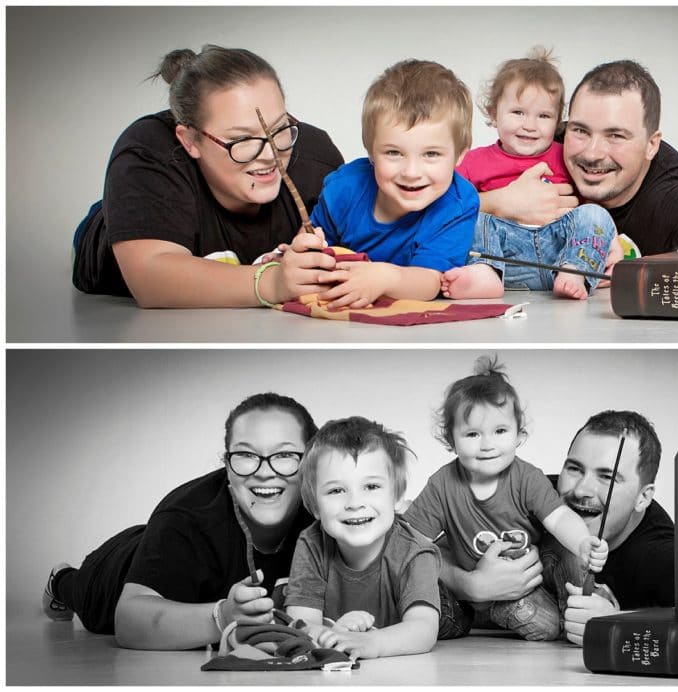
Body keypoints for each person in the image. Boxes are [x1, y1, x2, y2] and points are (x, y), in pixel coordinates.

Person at [72, 45, 346, 308]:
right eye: (241, 138)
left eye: (278, 129)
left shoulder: (316, 159)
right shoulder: (148, 155)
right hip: (129, 225)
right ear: (189, 140)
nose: (269, 154)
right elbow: (150, 279)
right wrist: (274, 282)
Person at [41, 393, 318, 650]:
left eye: (284, 455)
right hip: (118, 569)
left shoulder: (325, 511)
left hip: (164, 541)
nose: (265, 472)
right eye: (246, 455)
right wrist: (222, 617)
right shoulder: (187, 516)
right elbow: (128, 622)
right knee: (85, 594)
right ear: (226, 464)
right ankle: (61, 580)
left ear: (310, 463)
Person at [402, 356, 608, 641]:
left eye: (500, 431)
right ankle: (502, 612)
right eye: (472, 434)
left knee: (570, 558)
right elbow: (413, 543)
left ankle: (575, 610)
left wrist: (584, 543)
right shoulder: (443, 484)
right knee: (545, 628)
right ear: (451, 440)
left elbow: (559, 518)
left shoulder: (526, 477)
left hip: (528, 578)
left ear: (518, 435)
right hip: (480, 590)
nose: (487, 445)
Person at [440, 409, 673, 646]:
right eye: (574, 469)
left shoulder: (660, 556)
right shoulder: (531, 495)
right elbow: (420, 548)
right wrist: (469, 585)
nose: (581, 489)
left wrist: (617, 622)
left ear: (643, 497)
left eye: (607, 477)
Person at [478, 60, 678, 257]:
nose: (592, 153)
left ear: (651, 145)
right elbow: (448, 195)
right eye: (580, 131)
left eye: (615, 135)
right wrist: (498, 202)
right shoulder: (544, 140)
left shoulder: (677, 192)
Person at [441, 48, 617, 301]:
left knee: (597, 214)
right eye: (518, 112)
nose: (530, 125)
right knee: (475, 215)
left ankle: (576, 271)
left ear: (558, 121)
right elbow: (447, 206)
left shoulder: (566, 156)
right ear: (493, 113)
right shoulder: (473, 161)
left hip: (558, 254)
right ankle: (485, 273)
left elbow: (589, 205)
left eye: (544, 116)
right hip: (504, 256)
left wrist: (607, 238)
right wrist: (494, 203)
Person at [305, 59, 478, 310]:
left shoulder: (458, 205)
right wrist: (301, 251)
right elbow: (315, 246)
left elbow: (430, 281)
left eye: (431, 154)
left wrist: (384, 278)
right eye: (394, 153)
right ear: (371, 151)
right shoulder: (343, 189)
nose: (411, 172)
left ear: (460, 154)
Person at [286, 417, 441, 660]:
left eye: (371, 486)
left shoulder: (416, 551)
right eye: (336, 490)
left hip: (445, 611)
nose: (355, 503)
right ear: (315, 506)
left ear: (397, 497)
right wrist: (330, 632)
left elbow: (423, 630)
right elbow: (300, 623)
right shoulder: (312, 543)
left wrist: (372, 643)